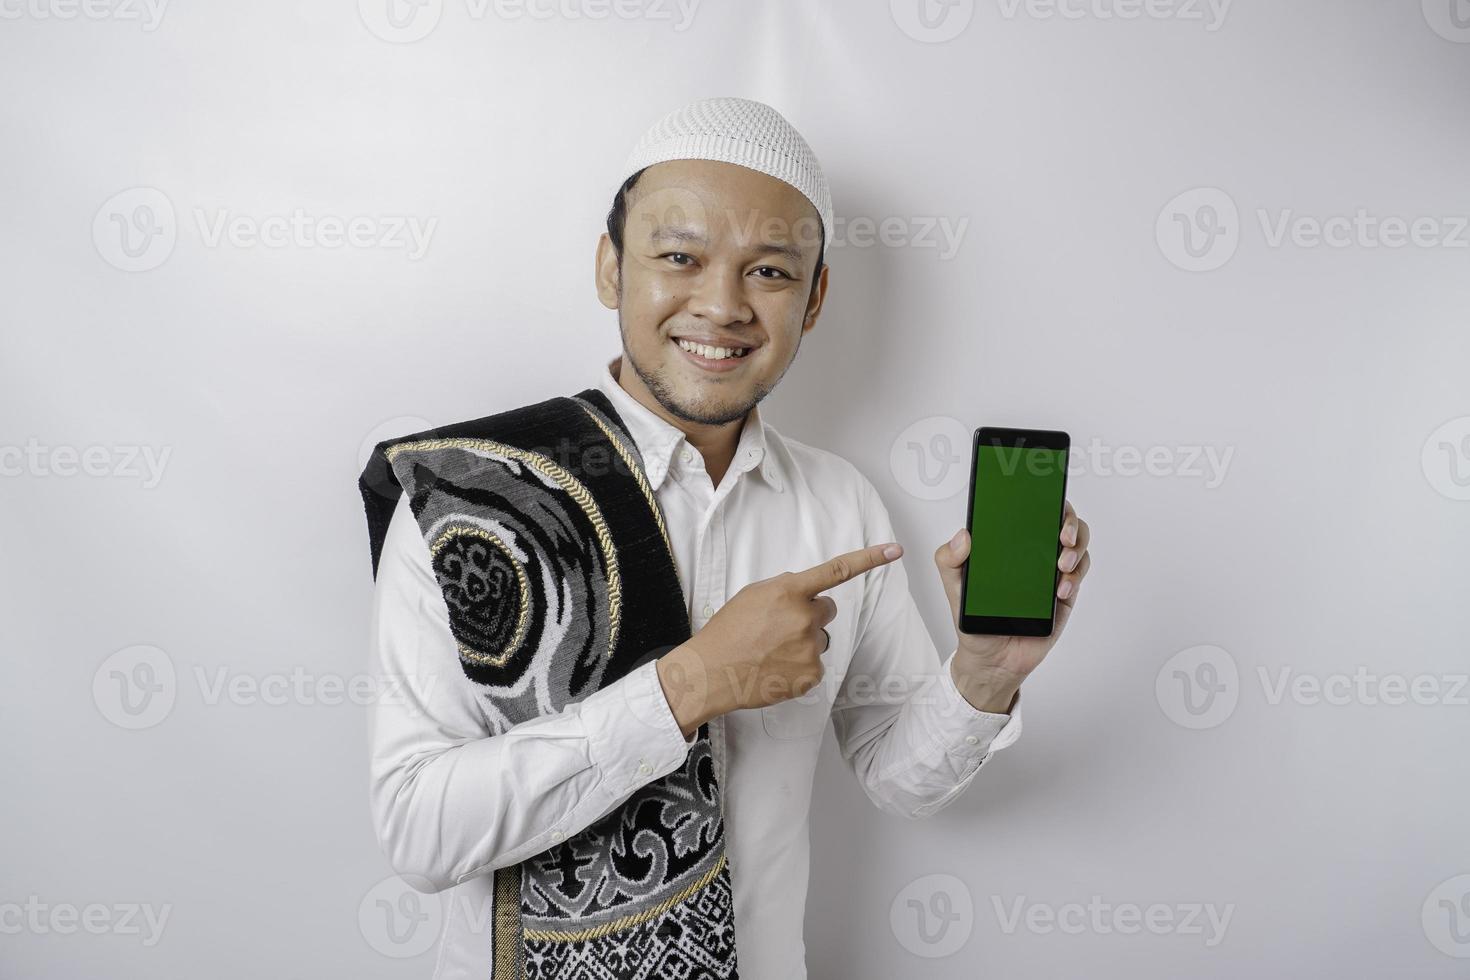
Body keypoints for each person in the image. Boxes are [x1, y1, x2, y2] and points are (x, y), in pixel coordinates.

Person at [361, 96, 1092, 980]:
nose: (722, 304)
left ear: (815, 298)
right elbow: (420, 833)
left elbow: (895, 778)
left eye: (771, 273)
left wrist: (983, 678)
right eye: (679, 257)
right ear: (610, 269)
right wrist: (691, 684)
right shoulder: (469, 495)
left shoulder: (839, 504)